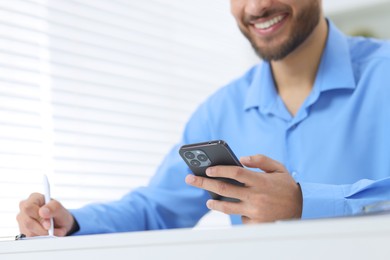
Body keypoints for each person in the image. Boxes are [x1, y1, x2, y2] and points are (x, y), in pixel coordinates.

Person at [17, 0, 390, 237]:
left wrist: (305, 203)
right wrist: (71, 222)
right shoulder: (219, 110)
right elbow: (157, 210)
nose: (257, 6)